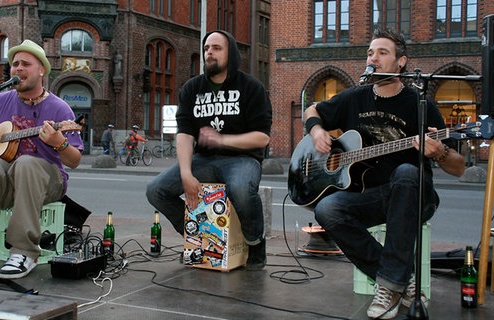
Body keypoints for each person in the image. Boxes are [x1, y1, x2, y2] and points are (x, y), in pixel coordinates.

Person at [302, 28, 464, 319]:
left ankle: (389, 285)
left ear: (401, 62)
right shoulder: (354, 97)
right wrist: (316, 131)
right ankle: (399, 280)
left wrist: (438, 151)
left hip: (415, 196)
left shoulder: (419, 103)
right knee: (327, 209)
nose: (373, 58)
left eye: (382, 52)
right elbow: (312, 109)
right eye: (370, 53)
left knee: (405, 172)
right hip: (370, 197)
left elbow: (459, 166)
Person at [0, 39, 84, 279]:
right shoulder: (0, 100)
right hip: (8, 184)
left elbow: (74, 160)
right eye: (14, 64)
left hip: (46, 182)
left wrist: (60, 142)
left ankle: (25, 251)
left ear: (41, 70)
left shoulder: (60, 109)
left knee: (26, 163)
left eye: (26, 64)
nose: (18, 69)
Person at [146, 30, 272, 270]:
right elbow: (184, 133)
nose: (209, 53)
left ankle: (255, 242)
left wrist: (222, 140)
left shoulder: (251, 87)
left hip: (242, 159)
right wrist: (185, 173)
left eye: (216, 48)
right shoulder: (192, 88)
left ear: (231, 54)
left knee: (241, 189)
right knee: (155, 190)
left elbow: (262, 138)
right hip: (203, 159)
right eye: (206, 49)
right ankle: (199, 237)